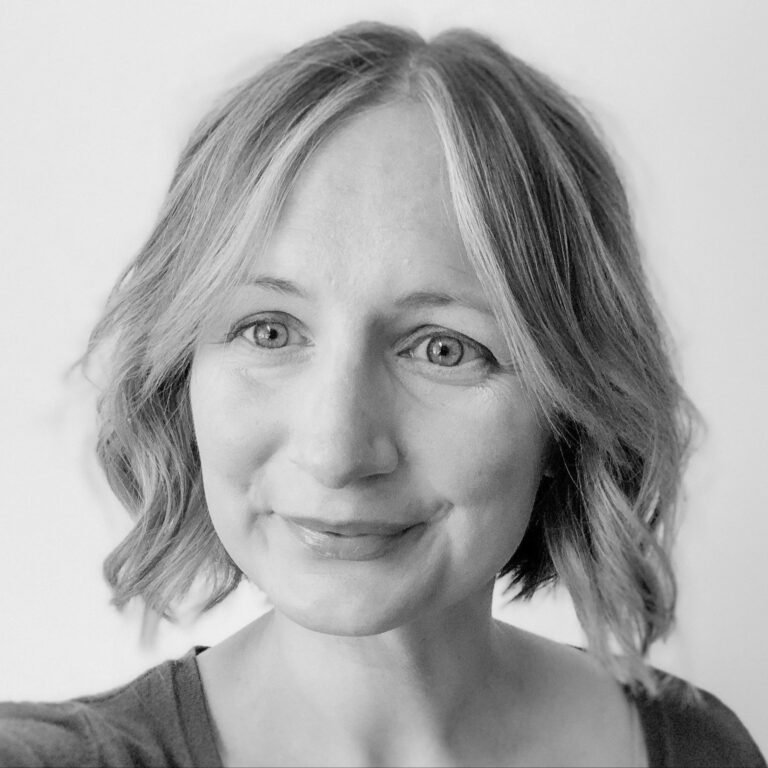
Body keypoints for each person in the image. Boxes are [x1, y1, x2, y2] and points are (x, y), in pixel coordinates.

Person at [0, 21, 764, 768]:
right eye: (268, 331)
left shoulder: (699, 748)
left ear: (572, 410)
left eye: (443, 348)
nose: (336, 451)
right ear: (179, 377)